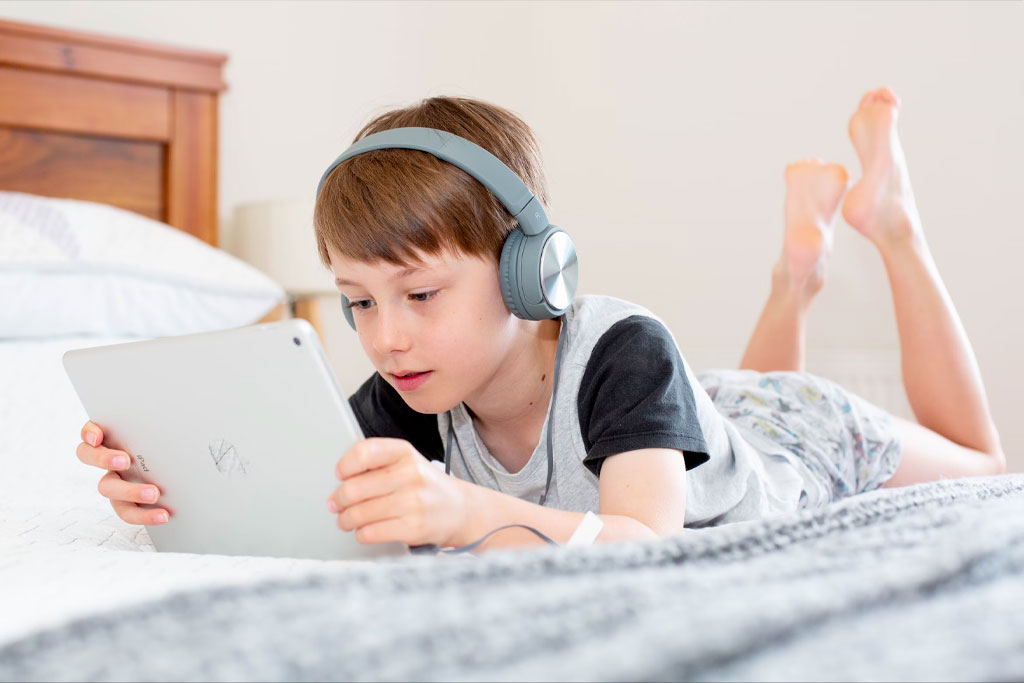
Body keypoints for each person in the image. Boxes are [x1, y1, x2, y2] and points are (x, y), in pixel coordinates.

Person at [76, 88, 1005, 553]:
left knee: (987, 464)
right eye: (359, 301)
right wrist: (165, 492)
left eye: (421, 294)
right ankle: (797, 272)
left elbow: (642, 542)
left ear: (532, 273)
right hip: (705, 420)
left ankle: (893, 227)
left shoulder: (627, 347)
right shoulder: (404, 389)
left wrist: (473, 509)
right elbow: (309, 517)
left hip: (797, 442)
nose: (385, 335)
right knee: (735, 403)